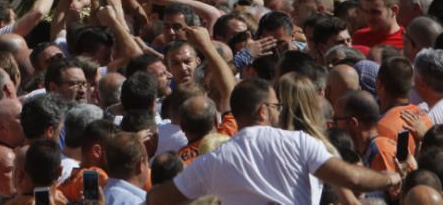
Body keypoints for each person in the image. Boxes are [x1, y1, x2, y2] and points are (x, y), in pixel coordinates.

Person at [146, 79, 399, 203]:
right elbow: (353, 179)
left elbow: (156, 198)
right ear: (262, 110)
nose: (280, 111)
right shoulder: (299, 142)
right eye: (276, 106)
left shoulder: (214, 160)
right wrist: (390, 177)